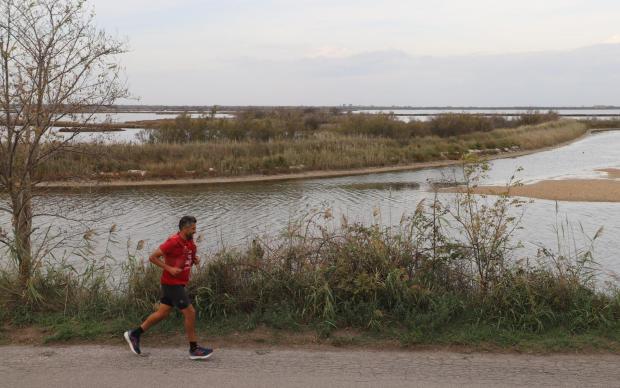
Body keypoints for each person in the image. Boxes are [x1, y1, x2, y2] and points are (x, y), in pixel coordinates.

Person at [124, 216, 213, 360]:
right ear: (185, 228)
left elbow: (188, 256)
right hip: (171, 283)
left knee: (162, 313)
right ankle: (194, 349)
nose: (195, 232)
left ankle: (134, 334)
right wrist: (169, 268)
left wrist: (194, 260)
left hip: (178, 283)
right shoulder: (173, 242)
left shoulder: (189, 241)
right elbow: (153, 257)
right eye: (193, 229)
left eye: (195, 229)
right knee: (190, 312)